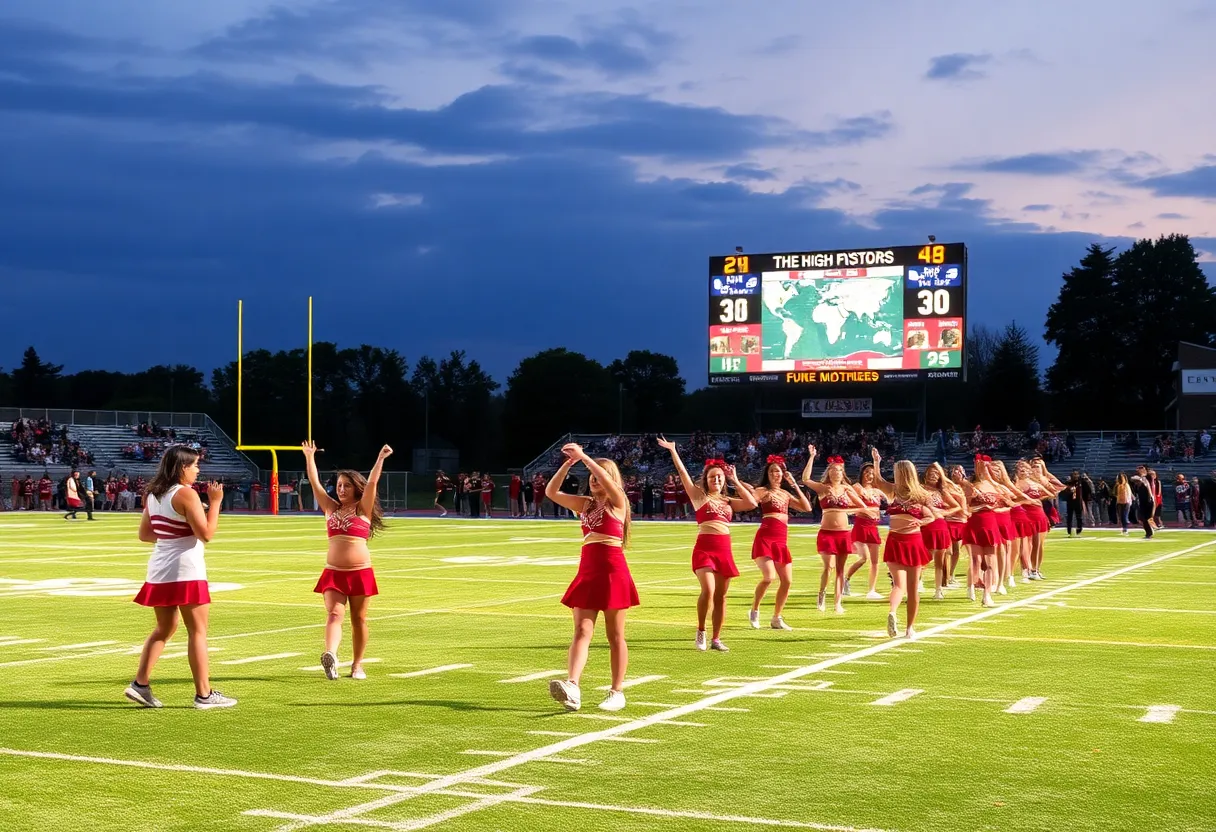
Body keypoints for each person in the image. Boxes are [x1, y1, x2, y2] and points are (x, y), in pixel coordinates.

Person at [124, 446, 234, 709]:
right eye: (195, 465)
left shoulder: (153, 493)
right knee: (198, 631)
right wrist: (216, 502)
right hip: (186, 570)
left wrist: (174, 530)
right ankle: (204, 695)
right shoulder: (187, 494)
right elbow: (206, 534)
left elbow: (146, 534)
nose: (198, 470)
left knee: (164, 629)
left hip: (160, 569)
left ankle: (140, 684)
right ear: (182, 467)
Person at [544, 443, 639, 712]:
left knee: (615, 634)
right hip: (588, 570)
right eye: (592, 477)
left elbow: (609, 483)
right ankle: (572, 686)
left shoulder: (618, 501)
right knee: (581, 631)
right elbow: (552, 492)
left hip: (613, 571)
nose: (595, 479)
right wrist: (568, 464)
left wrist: (585, 457)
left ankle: (617, 691)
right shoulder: (584, 505)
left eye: (600, 475)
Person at [657, 437, 757, 651]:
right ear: (706, 479)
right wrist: (673, 451)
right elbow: (683, 474)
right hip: (704, 548)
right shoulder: (699, 496)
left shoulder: (728, 501)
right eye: (713, 477)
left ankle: (716, 638)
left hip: (724, 549)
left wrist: (735, 480)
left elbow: (752, 503)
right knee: (709, 591)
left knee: (721, 596)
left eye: (720, 477)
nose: (717, 480)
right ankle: (701, 631)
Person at [302, 440, 391, 681]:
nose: (341, 489)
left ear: (355, 489)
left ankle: (357, 665)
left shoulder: (363, 508)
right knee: (334, 615)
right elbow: (315, 483)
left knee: (359, 619)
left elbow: (372, 482)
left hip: (360, 572)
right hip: (333, 572)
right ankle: (331, 655)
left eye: (346, 486)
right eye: (339, 485)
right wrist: (309, 457)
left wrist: (380, 458)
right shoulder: (330, 508)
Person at [868, 449, 938, 638]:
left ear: (903, 473)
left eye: (897, 471)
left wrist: (921, 522)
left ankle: (895, 614)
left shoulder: (913, 494)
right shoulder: (903, 492)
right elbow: (877, 481)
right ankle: (908, 627)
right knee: (911, 587)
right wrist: (876, 462)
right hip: (905, 540)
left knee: (901, 585)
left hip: (905, 540)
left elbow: (932, 516)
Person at [743, 454, 812, 630]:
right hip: (765, 538)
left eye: (779, 471)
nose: (777, 474)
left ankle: (776, 618)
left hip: (781, 540)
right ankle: (754, 610)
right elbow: (751, 501)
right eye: (773, 471)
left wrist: (795, 484)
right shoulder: (763, 491)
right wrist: (740, 484)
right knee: (769, 577)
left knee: (787, 581)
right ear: (768, 473)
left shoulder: (785, 493)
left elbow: (807, 507)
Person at [801, 447, 866, 614]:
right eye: (833, 470)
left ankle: (838, 602)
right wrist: (812, 456)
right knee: (828, 566)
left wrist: (845, 511)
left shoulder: (847, 489)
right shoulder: (823, 488)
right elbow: (806, 479)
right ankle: (821, 594)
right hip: (827, 533)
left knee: (840, 570)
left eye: (838, 470)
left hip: (844, 533)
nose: (836, 472)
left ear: (842, 472)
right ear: (828, 472)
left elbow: (862, 506)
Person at [922, 463, 963, 600]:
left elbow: (957, 506)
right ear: (926, 474)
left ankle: (938, 589)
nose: (933, 475)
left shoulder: (942, 491)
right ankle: (917, 582)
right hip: (925, 526)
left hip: (940, 526)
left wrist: (944, 512)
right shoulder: (920, 489)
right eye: (930, 473)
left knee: (939, 560)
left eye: (936, 474)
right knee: (923, 558)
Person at [845, 462, 885, 601]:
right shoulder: (857, 488)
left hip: (873, 528)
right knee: (864, 558)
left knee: (875, 561)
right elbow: (848, 508)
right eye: (867, 472)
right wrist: (864, 511)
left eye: (872, 473)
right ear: (862, 473)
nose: (870, 476)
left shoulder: (877, 491)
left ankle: (872, 590)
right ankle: (846, 579)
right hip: (861, 527)